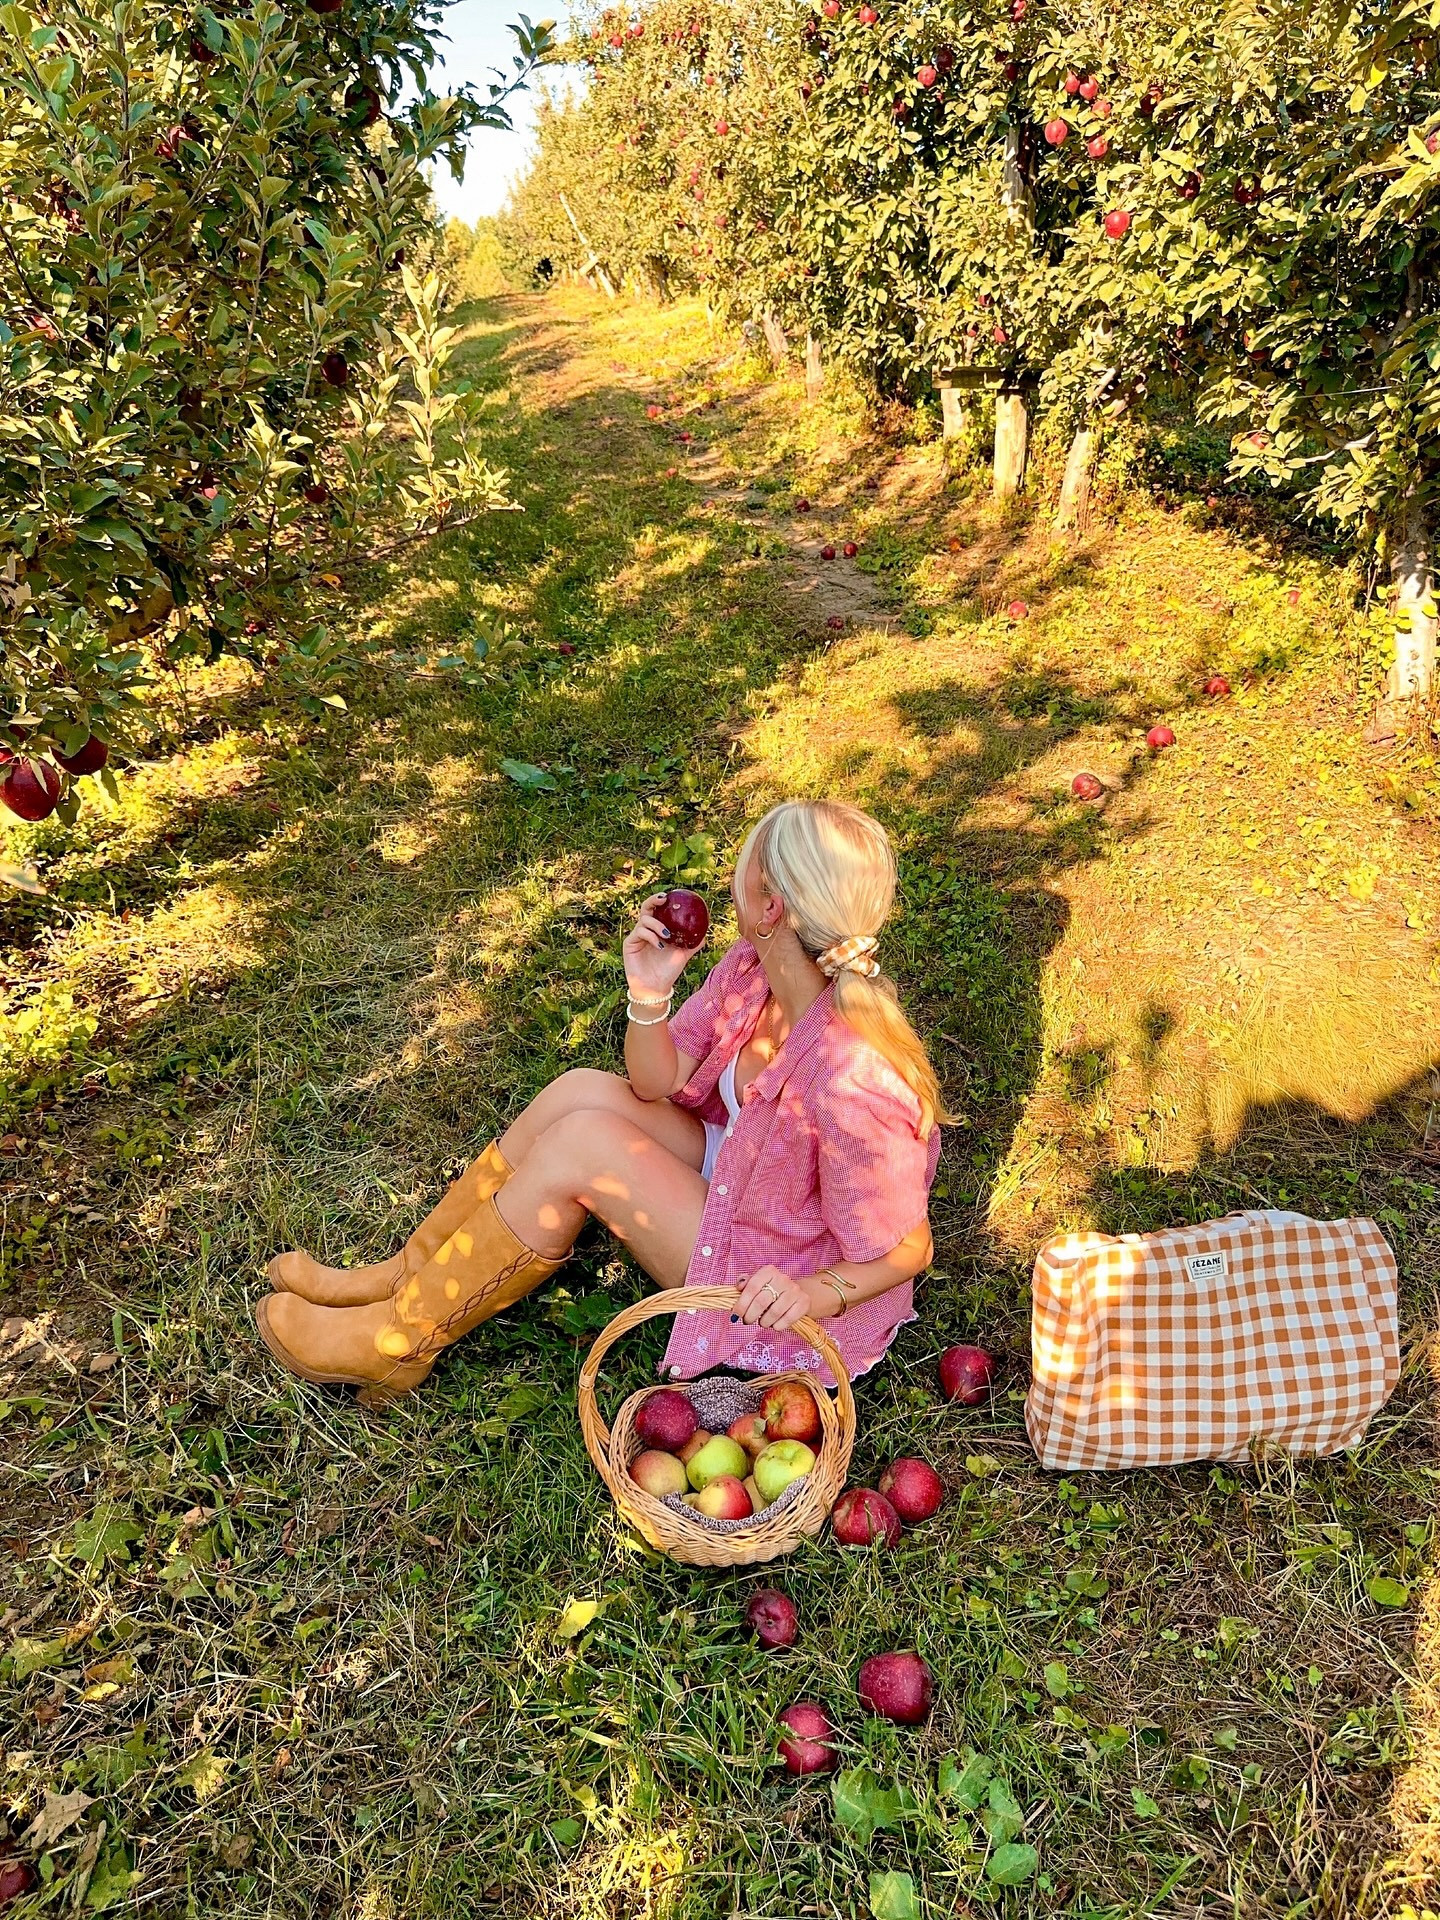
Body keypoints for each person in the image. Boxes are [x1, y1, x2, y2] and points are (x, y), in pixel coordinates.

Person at [255, 799, 947, 1404]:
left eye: (745, 864)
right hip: (741, 1175)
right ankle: (406, 1275)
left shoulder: (854, 1076)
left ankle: (396, 1343)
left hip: (785, 1269)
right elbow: (655, 1080)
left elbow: (907, 1248)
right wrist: (650, 990)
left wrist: (814, 1295)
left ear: (771, 906)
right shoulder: (754, 969)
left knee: (587, 1149)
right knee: (580, 1092)